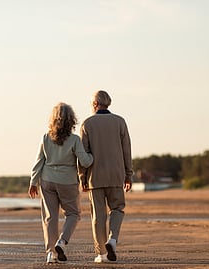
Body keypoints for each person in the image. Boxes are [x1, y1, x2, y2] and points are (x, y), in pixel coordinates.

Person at [29, 102, 93, 264]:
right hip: (67, 181)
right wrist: (92, 156)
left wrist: (33, 182)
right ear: (71, 120)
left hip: (47, 180)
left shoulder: (45, 138)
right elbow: (85, 162)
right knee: (73, 214)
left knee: (50, 217)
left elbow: (38, 162)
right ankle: (62, 242)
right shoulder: (74, 140)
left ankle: (51, 253)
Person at [78, 90, 133, 263]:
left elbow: (83, 154)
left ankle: (101, 253)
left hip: (95, 177)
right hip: (116, 175)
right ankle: (113, 239)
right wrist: (128, 174)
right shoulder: (120, 122)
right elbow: (127, 150)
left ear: (95, 104)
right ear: (107, 103)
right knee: (117, 209)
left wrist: (82, 178)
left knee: (98, 216)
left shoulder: (87, 124)